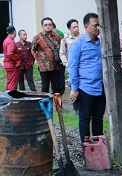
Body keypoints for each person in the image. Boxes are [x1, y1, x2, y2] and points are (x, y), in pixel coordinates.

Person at [68, 13, 106, 143]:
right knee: (84, 118)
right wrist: (74, 88)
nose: (97, 28)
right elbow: (72, 67)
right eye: (94, 25)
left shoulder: (102, 43)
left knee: (98, 117)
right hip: (85, 88)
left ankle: (98, 145)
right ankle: (86, 146)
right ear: (86, 26)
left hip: (101, 88)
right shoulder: (78, 44)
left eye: (98, 25)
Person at [31, 17, 63, 94]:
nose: (48, 26)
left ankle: (58, 105)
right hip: (44, 67)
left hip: (56, 66)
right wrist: (39, 60)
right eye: (45, 25)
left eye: (49, 24)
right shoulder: (37, 37)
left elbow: (62, 48)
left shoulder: (57, 36)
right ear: (42, 26)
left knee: (57, 88)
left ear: (52, 25)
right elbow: (32, 50)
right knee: (45, 87)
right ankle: (45, 105)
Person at [60, 19, 81, 112]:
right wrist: (67, 64)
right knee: (73, 86)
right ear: (69, 29)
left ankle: (82, 106)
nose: (76, 29)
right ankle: (76, 108)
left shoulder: (83, 38)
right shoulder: (65, 40)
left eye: (77, 26)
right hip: (72, 68)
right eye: (74, 27)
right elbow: (62, 53)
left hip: (82, 67)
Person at [2, 25, 21, 91]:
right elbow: (10, 53)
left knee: (9, 81)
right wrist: (17, 60)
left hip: (8, 63)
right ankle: (11, 97)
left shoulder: (6, 40)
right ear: (14, 31)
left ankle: (8, 95)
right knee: (13, 83)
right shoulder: (11, 42)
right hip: (12, 64)